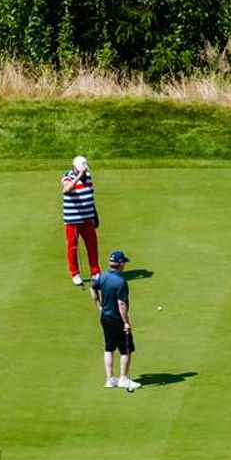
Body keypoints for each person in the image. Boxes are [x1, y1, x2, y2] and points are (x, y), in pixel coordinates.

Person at [89, 250, 140, 391]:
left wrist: (99, 306)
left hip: (105, 317)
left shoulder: (102, 276)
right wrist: (126, 322)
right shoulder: (121, 281)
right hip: (117, 318)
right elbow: (121, 304)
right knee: (126, 349)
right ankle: (123, 379)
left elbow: (93, 289)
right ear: (121, 264)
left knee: (109, 347)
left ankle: (110, 379)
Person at [61, 154, 100, 286]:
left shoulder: (88, 176)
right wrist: (78, 177)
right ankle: (75, 274)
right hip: (73, 221)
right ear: (74, 168)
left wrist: (95, 214)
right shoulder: (67, 177)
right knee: (72, 248)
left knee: (92, 246)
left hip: (88, 219)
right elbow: (66, 189)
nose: (83, 172)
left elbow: (90, 197)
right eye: (80, 170)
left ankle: (95, 272)